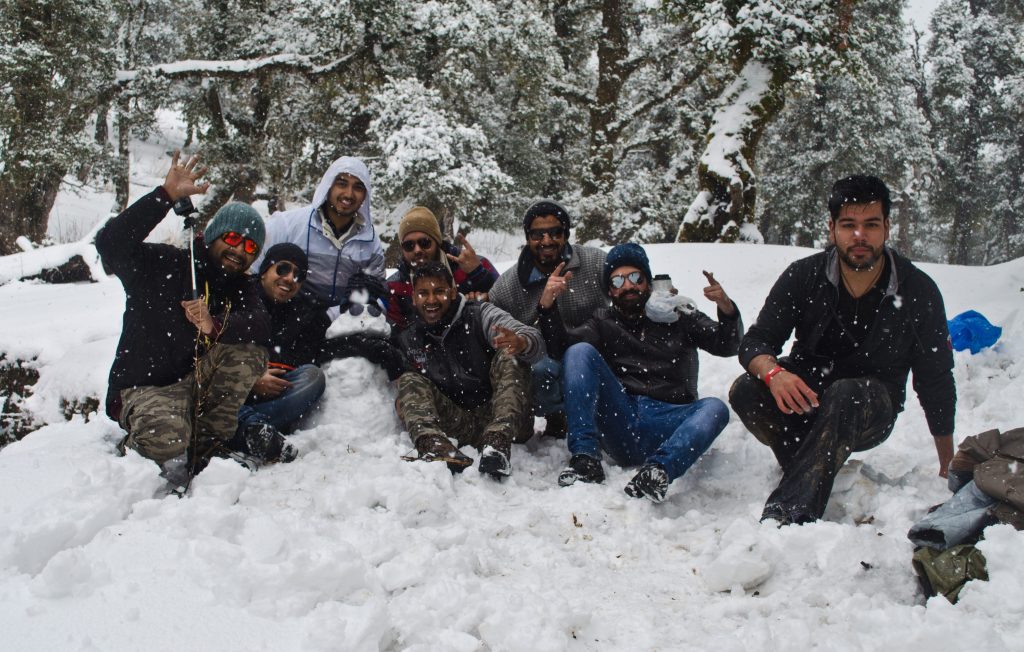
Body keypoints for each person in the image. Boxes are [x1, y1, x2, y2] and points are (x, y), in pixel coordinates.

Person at [729, 174, 956, 526]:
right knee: (746, 389)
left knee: (846, 393)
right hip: (806, 400)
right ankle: (814, 464)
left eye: (871, 224)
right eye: (849, 225)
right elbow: (756, 343)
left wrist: (947, 463)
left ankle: (789, 513)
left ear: (887, 228)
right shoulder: (803, 276)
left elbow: (935, 378)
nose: (859, 236)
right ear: (832, 227)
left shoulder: (919, 291)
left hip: (870, 406)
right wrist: (774, 374)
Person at [95, 151, 289, 488]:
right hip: (145, 387)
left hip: (195, 387)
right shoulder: (164, 265)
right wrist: (165, 197)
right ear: (213, 236)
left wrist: (214, 325)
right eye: (232, 239)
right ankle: (142, 453)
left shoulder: (240, 286)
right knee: (168, 440)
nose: (239, 250)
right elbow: (111, 246)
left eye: (249, 247)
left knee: (249, 352)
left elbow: (260, 324)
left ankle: (208, 445)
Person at [539, 243, 742, 502]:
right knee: (578, 352)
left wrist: (726, 307)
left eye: (635, 277)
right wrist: (547, 307)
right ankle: (585, 459)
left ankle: (658, 471)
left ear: (647, 281)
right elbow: (561, 349)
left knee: (715, 408)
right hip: (621, 419)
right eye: (618, 280)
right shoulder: (604, 321)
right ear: (610, 289)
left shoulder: (678, 314)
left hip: (669, 422)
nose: (628, 286)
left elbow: (728, 344)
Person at [395, 262, 545, 479]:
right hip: (460, 423)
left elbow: (532, 339)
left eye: (439, 292)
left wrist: (522, 342)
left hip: (506, 419)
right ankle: (434, 446)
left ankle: (497, 445)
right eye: (423, 293)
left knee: (509, 352)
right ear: (414, 297)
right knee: (408, 380)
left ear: (453, 291)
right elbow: (409, 390)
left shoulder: (479, 314)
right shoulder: (409, 339)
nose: (431, 300)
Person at [488, 200, 607, 437]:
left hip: (593, 357)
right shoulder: (511, 283)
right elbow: (487, 316)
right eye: (537, 234)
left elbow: (628, 282)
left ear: (566, 234)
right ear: (527, 237)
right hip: (545, 363)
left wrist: (658, 294)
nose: (546, 241)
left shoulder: (595, 262)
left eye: (555, 232)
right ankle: (555, 415)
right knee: (537, 366)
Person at [254, 156, 385, 316]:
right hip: (282, 318)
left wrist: (331, 317)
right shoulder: (287, 224)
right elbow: (254, 273)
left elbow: (377, 295)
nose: (349, 194)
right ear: (328, 185)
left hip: (340, 326)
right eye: (342, 183)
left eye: (358, 187)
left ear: (365, 195)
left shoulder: (370, 242)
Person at [234, 243, 328, 450]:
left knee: (313, 377)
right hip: (233, 388)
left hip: (276, 394)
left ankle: (250, 428)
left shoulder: (307, 313)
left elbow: (333, 344)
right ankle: (247, 427)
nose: (289, 278)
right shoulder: (238, 297)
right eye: (283, 269)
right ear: (265, 270)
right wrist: (251, 378)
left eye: (298, 275)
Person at [386, 206, 498, 330]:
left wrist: (479, 275)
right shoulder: (394, 286)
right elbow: (394, 336)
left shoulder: (473, 264)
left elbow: (507, 301)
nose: (417, 250)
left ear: (437, 242)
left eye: (424, 242)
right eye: (409, 245)